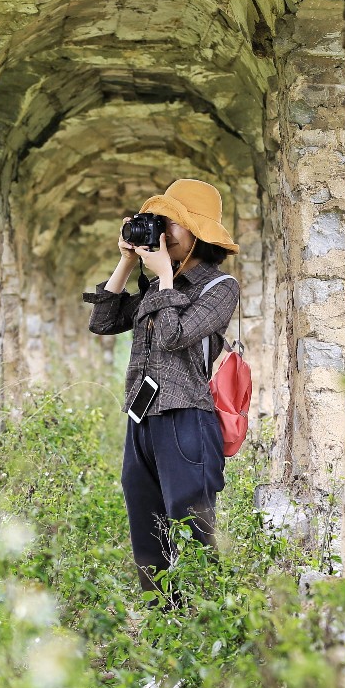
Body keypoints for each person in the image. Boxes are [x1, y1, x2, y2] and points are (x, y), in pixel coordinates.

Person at [82, 178, 240, 600]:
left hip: (187, 419)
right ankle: (162, 621)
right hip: (143, 417)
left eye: (173, 224)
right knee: (146, 528)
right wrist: (126, 264)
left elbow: (174, 335)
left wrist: (166, 277)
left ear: (198, 236)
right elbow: (102, 323)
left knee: (190, 525)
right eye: (161, 222)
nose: (163, 231)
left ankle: (209, 619)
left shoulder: (219, 288)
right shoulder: (154, 286)